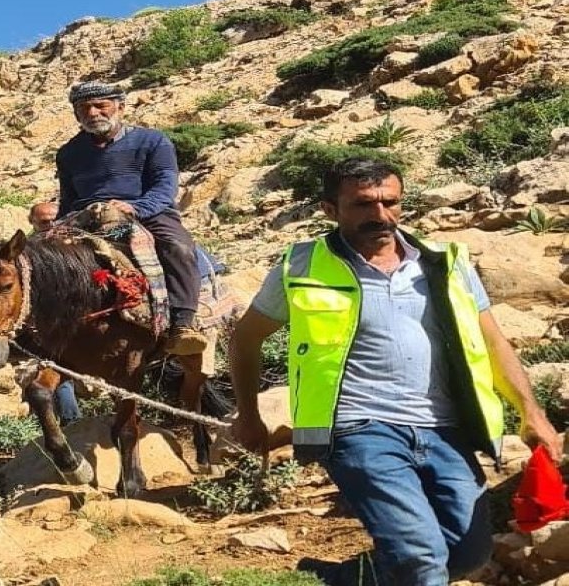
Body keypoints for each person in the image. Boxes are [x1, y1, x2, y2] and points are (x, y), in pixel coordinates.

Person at [228, 157, 560, 585]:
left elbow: (494, 342)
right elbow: (246, 338)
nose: (381, 216)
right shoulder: (302, 265)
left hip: (444, 428)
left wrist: (531, 411)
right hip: (357, 427)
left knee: (467, 552)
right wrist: (248, 414)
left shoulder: (445, 262)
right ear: (330, 210)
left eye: (390, 202)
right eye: (364, 205)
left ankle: (342, 580)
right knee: (420, 557)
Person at [54, 81, 206, 356]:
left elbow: (164, 186)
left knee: (178, 247)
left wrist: (135, 207)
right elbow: (68, 198)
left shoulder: (153, 141)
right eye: (84, 108)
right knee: (38, 258)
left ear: (120, 107)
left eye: (101, 105)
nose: (93, 112)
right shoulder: (68, 153)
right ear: (77, 115)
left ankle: (183, 324)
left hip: (146, 212)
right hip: (85, 216)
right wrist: (59, 227)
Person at [29, 201, 82, 425]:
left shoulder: (75, 241)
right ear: (31, 222)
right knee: (57, 369)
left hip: (80, 313)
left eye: (54, 219)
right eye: (44, 221)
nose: (50, 225)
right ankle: (72, 422)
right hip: (51, 322)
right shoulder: (29, 251)